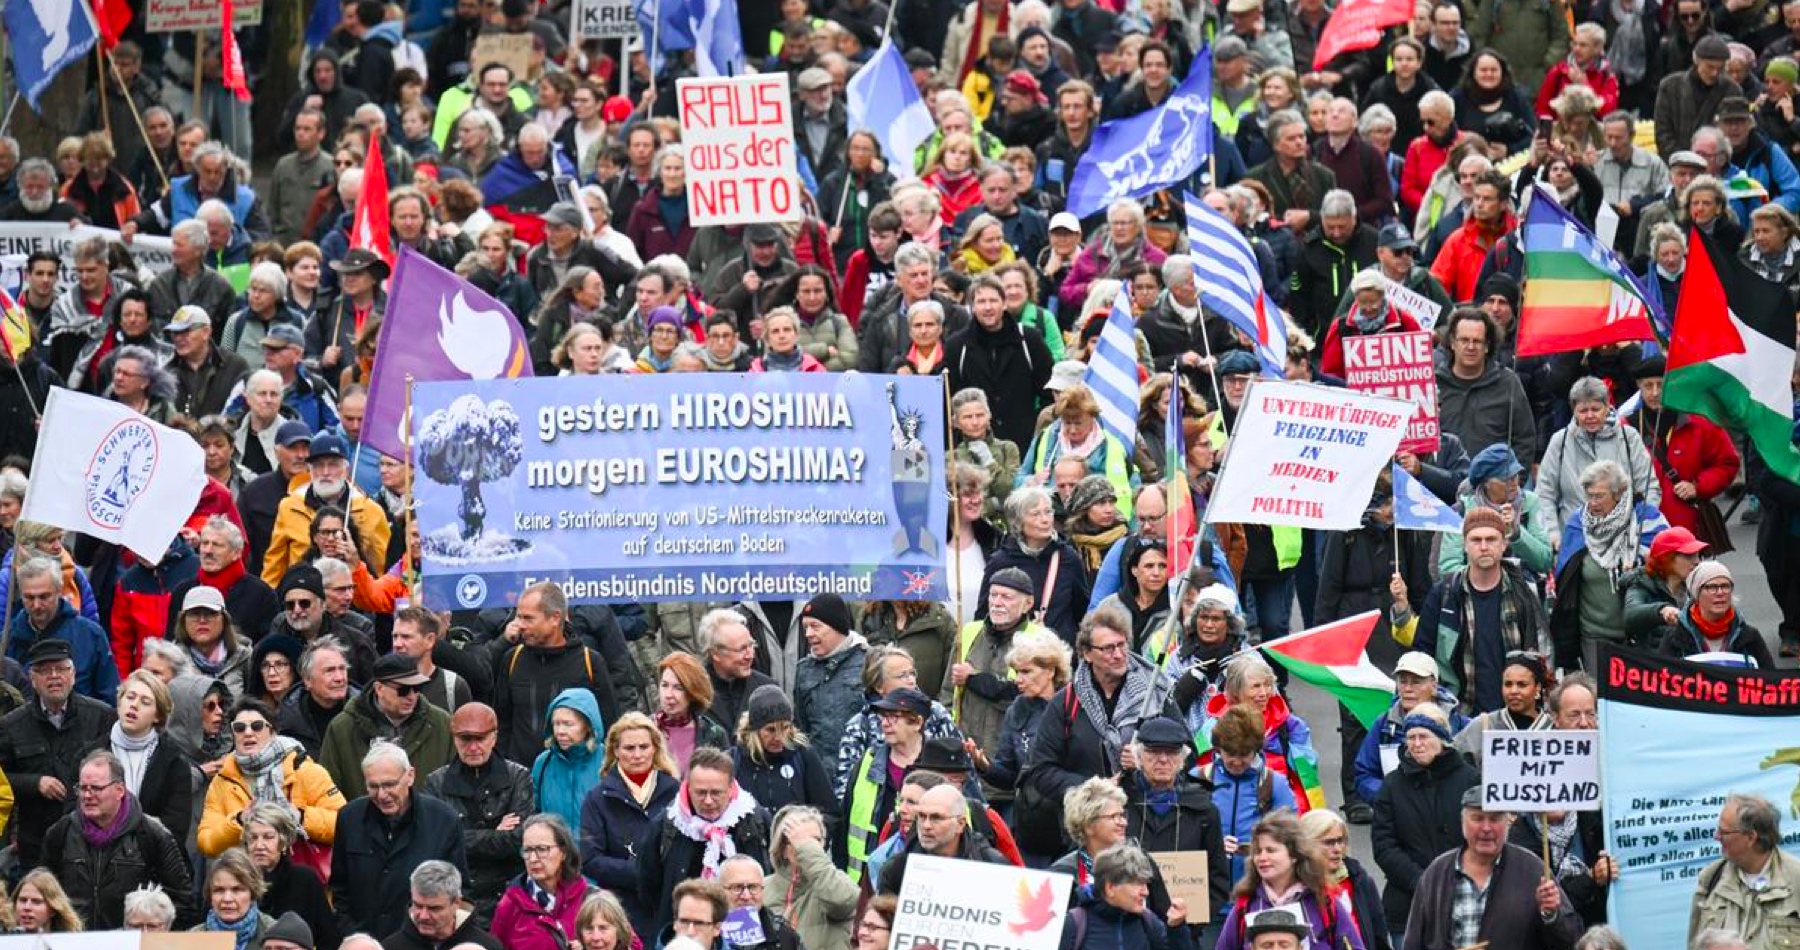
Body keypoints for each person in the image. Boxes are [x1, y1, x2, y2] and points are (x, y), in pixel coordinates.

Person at [1021, 605, 1180, 842]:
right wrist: (1093, 788)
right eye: (1108, 648)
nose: (1118, 654)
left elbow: (1185, 754)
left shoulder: (1155, 693)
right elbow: (1041, 771)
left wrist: (1146, 761)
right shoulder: (1066, 702)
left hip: (1149, 824)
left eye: (1122, 645)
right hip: (1088, 830)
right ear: (1086, 653)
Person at [1396, 508, 1549, 713]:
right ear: (1465, 545)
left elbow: (1540, 650)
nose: (1484, 547)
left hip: (1514, 713)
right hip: (1458, 713)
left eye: (1491, 539)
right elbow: (1424, 654)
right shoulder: (1445, 594)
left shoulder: (1522, 590)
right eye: (1476, 540)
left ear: (1504, 544)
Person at [1403, 787, 1581, 950]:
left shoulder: (1532, 870)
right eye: (1477, 818)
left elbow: (1570, 941)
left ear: (1508, 823)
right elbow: (1414, 942)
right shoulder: (1437, 873)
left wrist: (1551, 915)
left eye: (1495, 819)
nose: (1486, 828)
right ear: (1463, 823)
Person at [41, 749, 196, 929]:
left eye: (96, 788)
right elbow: (44, 893)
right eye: (83, 788)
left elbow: (182, 902)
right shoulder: (60, 832)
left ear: (119, 790)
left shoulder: (152, 835)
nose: (88, 795)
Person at [0, 638, 117, 870]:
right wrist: (34, 783)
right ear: (32, 679)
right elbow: (2, 780)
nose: (54, 676)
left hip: (92, 838)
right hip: (35, 843)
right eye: (44, 670)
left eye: (61, 669)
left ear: (73, 674)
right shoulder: (11, 725)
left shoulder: (101, 716)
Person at [331, 743, 469, 938]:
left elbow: (459, 892)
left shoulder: (443, 820)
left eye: (389, 785)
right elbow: (340, 889)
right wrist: (353, 937)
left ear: (410, 776)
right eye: (373, 786)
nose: (381, 795)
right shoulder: (349, 818)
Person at [1371, 703, 1480, 943]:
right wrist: (1422, 882)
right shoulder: (1392, 786)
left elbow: (1482, 837)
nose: (1416, 744)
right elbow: (1384, 846)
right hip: (1407, 904)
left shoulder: (1471, 779)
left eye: (1423, 736)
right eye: (1411, 737)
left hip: (1463, 901)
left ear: (1442, 739)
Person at [1551, 460, 1671, 673]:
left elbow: (1669, 565)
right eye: (1589, 495)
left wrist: (1640, 568)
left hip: (1640, 634)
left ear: (1619, 493)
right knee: (1599, 698)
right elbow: (1564, 576)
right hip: (1594, 635)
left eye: (1599, 496)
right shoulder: (1578, 524)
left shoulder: (1647, 520)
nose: (1592, 502)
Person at [420, 702, 534, 927]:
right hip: (456, 897)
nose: (473, 747)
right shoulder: (436, 782)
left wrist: (460, 836)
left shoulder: (518, 776)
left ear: (494, 737)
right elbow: (434, 844)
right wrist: (494, 833)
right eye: (465, 739)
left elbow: (518, 841)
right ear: (454, 739)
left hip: (507, 896)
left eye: (480, 739)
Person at [637, 747, 771, 935]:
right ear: (687, 787)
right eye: (700, 793)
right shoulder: (666, 824)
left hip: (747, 931)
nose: (708, 801)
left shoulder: (755, 819)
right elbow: (648, 886)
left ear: (731, 788)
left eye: (716, 793)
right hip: (686, 933)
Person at [490, 581, 621, 766]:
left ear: (555, 618)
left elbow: (609, 726)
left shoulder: (590, 662)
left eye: (528, 618)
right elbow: (502, 724)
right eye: (518, 617)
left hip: (575, 778)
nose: (520, 625)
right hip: (521, 781)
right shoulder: (512, 659)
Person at [199, 697, 346, 857]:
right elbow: (207, 843)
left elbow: (343, 823)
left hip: (297, 871)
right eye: (240, 728)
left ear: (272, 732)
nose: (248, 733)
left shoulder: (305, 770)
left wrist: (300, 816)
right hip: (246, 874)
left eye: (257, 726)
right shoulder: (223, 780)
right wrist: (240, 820)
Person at [579, 711, 680, 938]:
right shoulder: (597, 798)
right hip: (621, 911)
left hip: (670, 907)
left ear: (655, 748)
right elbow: (589, 859)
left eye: (644, 747)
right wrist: (640, 871)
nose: (637, 755)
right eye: (629, 748)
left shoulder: (676, 792)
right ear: (616, 751)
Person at [1124, 716, 1230, 920]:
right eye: (1153, 752)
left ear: (1182, 759)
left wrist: (1194, 920)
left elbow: (1218, 877)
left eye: (1172, 752)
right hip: (1129, 925)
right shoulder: (1121, 805)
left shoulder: (1204, 810)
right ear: (1138, 756)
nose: (1163, 759)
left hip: (1183, 929)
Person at [1214, 811, 1366, 950]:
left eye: (1271, 850)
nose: (1262, 858)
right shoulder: (1245, 905)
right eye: (1258, 851)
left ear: (1294, 855)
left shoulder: (1325, 902)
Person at [321, 653, 454, 800]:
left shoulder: (441, 723)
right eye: (403, 690)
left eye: (417, 688)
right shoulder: (342, 728)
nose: (411, 696)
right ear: (379, 688)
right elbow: (328, 792)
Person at [1350, 652, 1467, 815]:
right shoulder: (1383, 725)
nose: (1407, 688)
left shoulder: (1461, 725)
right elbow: (1364, 774)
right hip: (1397, 818)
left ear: (1433, 685)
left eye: (1416, 682)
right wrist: (1390, 797)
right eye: (1402, 681)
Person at [1537, 378, 1660, 530]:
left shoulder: (1629, 437)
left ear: (1607, 407)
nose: (1589, 416)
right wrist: (1552, 533)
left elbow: (1648, 488)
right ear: (1573, 410)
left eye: (1595, 409)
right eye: (1582, 411)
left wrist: (1642, 529)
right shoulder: (1559, 441)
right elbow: (1544, 493)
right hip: (1574, 538)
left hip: (1623, 537)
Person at [840, 686, 933, 880]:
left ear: (917, 723)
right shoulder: (867, 763)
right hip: (867, 883)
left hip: (923, 880)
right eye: (883, 716)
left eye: (894, 717)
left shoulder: (938, 765)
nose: (885, 723)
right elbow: (844, 823)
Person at [102, 668, 194, 843]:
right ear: (120, 702)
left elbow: (175, 827)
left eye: (145, 702)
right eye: (130, 697)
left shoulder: (174, 763)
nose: (134, 705)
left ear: (158, 716)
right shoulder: (90, 753)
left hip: (152, 858)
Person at [10, 556, 118, 703]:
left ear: (59, 591)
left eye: (44, 596)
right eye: (29, 597)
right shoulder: (8, 639)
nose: (36, 605)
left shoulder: (90, 635)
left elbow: (109, 695)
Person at [1441, 444, 1555, 579]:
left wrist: (1516, 533)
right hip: (1475, 593)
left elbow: (1545, 561)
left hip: (1523, 591)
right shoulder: (1462, 511)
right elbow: (1448, 568)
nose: (1514, 483)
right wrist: (1490, 579)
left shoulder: (1529, 503)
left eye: (1515, 475)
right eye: (1505, 479)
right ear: (1486, 483)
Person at [874, 782, 1010, 895]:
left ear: (960, 824)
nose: (926, 825)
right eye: (922, 816)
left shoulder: (992, 866)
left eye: (936, 818)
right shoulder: (896, 870)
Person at [242, 800, 340, 950]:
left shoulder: (304, 880)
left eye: (268, 837)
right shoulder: (235, 881)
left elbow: (328, 939)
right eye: (253, 838)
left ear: (283, 842)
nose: (259, 845)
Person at [1057, 843, 1194, 950]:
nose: (1145, 892)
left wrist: (1177, 928)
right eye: (1137, 884)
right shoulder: (1074, 924)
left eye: (1146, 884)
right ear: (1110, 888)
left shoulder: (1148, 922)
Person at [731, 686, 837, 824]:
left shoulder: (803, 756)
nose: (779, 737)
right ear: (754, 730)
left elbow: (829, 813)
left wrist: (806, 833)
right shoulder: (736, 760)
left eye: (785, 727)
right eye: (770, 730)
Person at [491, 814, 596, 950]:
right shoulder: (510, 905)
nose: (533, 858)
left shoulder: (590, 899)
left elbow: (629, 944)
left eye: (542, 849)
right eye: (527, 850)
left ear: (563, 852)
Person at [766, 804, 859, 950]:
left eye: (815, 840)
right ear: (782, 848)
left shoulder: (835, 882)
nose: (806, 845)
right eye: (797, 839)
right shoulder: (761, 888)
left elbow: (845, 902)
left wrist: (808, 850)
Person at [793, 593, 870, 764]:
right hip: (819, 775)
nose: (808, 634)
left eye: (815, 626)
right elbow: (800, 728)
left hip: (860, 771)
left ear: (837, 626)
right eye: (805, 627)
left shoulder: (870, 662)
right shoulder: (804, 669)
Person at [1301, 808, 1390, 950]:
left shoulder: (1360, 880)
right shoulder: (1296, 889)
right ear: (1306, 845)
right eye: (1329, 842)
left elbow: (1380, 939)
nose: (1337, 849)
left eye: (1340, 841)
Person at [1451, 652, 1553, 762]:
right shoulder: (1484, 725)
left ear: (1537, 688)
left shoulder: (1555, 728)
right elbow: (1454, 762)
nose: (1513, 691)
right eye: (1508, 684)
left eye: (1522, 685)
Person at [531, 687, 606, 836]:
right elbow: (534, 813)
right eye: (556, 724)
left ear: (588, 725)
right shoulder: (543, 763)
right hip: (554, 854)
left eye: (568, 724)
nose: (560, 731)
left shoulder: (609, 760)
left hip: (596, 855)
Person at [385, 860, 503, 950]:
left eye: (434, 908)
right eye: (418, 906)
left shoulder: (486, 946)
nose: (423, 916)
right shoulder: (390, 947)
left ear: (456, 903)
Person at [12, 867, 82, 933]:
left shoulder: (69, 943)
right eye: (23, 900)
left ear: (53, 909)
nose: (27, 907)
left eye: (36, 902)